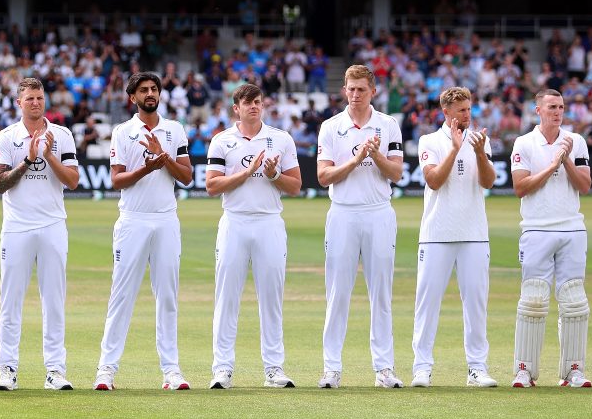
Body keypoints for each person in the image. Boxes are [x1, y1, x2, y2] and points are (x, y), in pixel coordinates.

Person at [94, 73, 194, 391]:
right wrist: (146, 169)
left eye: (153, 89)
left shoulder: (174, 129)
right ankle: (106, 371)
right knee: (121, 296)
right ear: (132, 97)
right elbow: (116, 180)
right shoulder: (123, 132)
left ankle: (171, 371)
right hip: (132, 220)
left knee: (167, 296)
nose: (150, 94)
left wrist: (163, 159)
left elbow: (187, 176)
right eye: (143, 90)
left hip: (166, 220)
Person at [205, 83, 302, 389]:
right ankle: (222, 369)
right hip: (234, 222)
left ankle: (274, 368)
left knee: (271, 298)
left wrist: (273, 174)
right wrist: (246, 174)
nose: (254, 107)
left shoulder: (280, 139)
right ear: (236, 108)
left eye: (258, 102)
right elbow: (211, 186)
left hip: (269, 222)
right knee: (227, 297)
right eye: (247, 103)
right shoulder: (222, 141)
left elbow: (296, 186)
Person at [317, 65, 405, 389]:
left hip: (379, 212)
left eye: (361, 90)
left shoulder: (388, 125)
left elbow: (395, 173)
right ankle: (331, 368)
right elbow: (324, 175)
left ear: (373, 91)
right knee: (337, 292)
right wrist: (355, 161)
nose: (355, 95)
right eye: (350, 89)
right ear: (344, 90)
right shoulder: (331, 127)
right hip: (342, 212)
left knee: (380, 293)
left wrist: (375, 155)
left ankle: (384, 368)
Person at [0, 77, 81, 390]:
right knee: (10, 300)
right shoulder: (7, 137)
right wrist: (29, 159)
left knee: (54, 300)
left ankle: (55, 371)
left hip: (53, 224)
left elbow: (72, 181)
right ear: (19, 102)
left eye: (40, 98)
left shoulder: (62, 135)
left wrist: (49, 155)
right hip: (17, 226)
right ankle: (7, 370)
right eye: (29, 98)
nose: (35, 103)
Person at [410, 88, 499, 388]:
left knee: (475, 303)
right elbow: (433, 180)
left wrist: (476, 152)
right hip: (436, 234)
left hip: (474, 234)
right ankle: (422, 368)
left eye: (468, 109)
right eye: (460, 110)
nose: (466, 115)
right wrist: (453, 148)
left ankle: (477, 368)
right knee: (427, 303)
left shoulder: (479, 140)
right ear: (446, 112)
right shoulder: (429, 141)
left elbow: (488, 181)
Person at [510, 89, 592, 389]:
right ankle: (524, 370)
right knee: (533, 299)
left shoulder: (576, 141)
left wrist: (567, 160)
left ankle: (573, 371)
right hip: (536, 229)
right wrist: (552, 165)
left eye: (561, 107)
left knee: (574, 301)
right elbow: (521, 187)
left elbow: (584, 186)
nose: (558, 112)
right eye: (552, 107)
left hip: (572, 229)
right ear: (538, 110)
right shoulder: (524, 143)